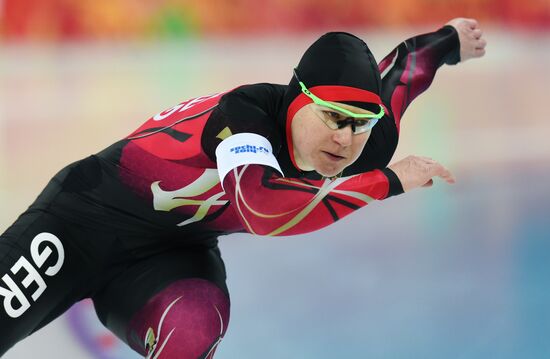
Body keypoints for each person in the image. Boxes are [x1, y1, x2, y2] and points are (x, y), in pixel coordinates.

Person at [0, 17, 486, 358]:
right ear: (297, 101)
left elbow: (401, 75)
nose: (345, 138)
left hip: (170, 255)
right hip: (78, 225)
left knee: (194, 328)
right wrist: (386, 182)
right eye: (333, 118)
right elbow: (260, 208)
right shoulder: (245, 115)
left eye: (361, 123)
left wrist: (449, 42)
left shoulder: (361, 139)